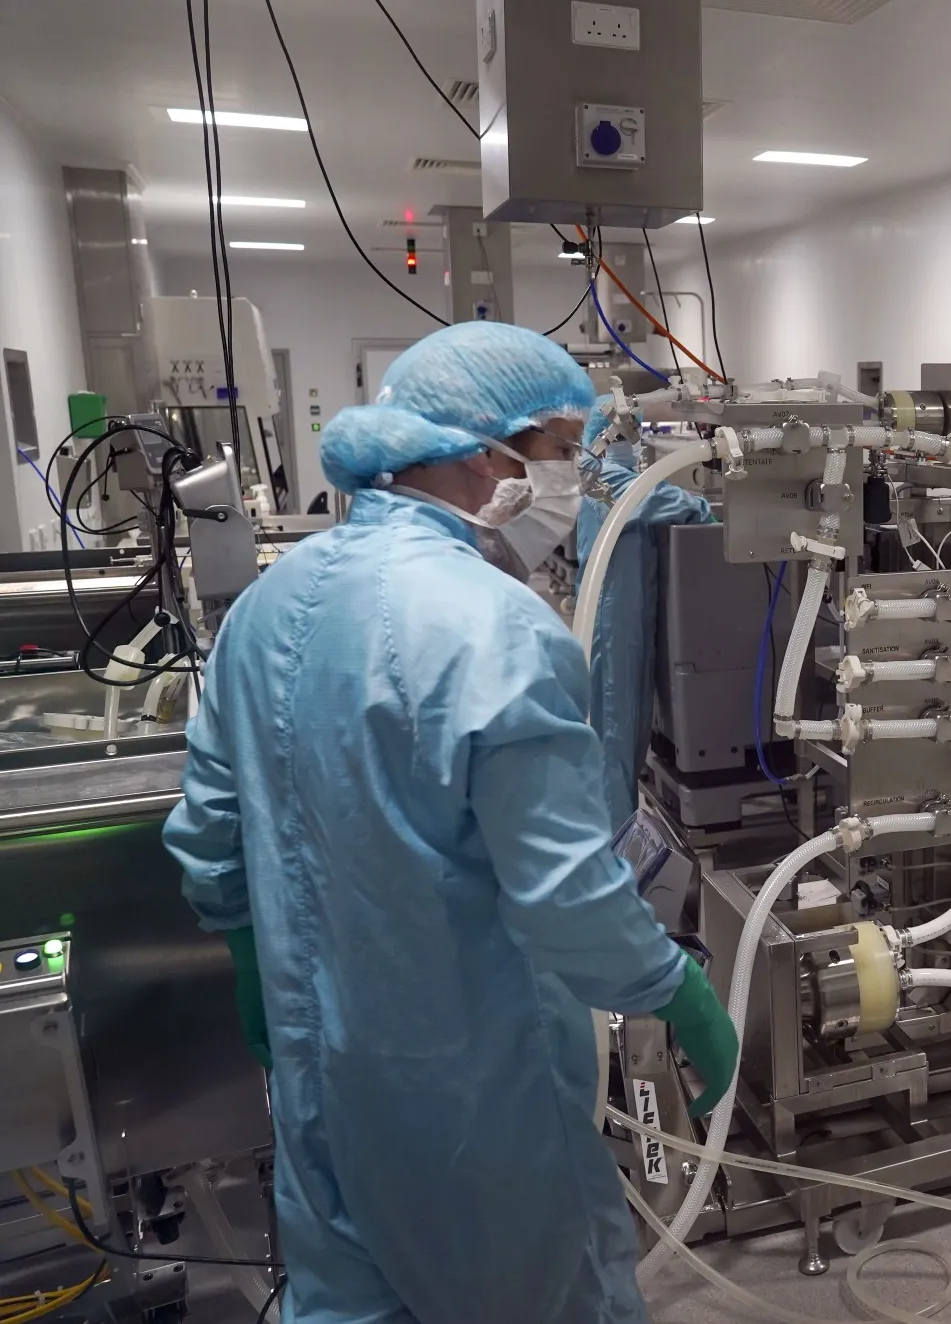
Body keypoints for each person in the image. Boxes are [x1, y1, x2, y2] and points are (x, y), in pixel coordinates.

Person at [162, 322, 738, 1324]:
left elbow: (211, 824)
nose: (572, 479)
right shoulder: (496, 626)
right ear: (490, 453)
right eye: (562, 449)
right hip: (473, 1092)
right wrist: (672, 988)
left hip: (318, 1074)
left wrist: (252, 958)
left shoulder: (268, 603)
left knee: (350, 1305)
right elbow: (564, 895)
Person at [576, 393, 716, 824]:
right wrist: (710, 510)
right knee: (615, 732)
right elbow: (682, 506)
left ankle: (617, 831)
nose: (637, 440)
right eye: (633, 430)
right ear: (613, 434)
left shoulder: (601, 475)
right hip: (614, 619)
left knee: (623, 729)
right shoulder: (608, 479)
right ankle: (613, 843)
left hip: (624, 614)